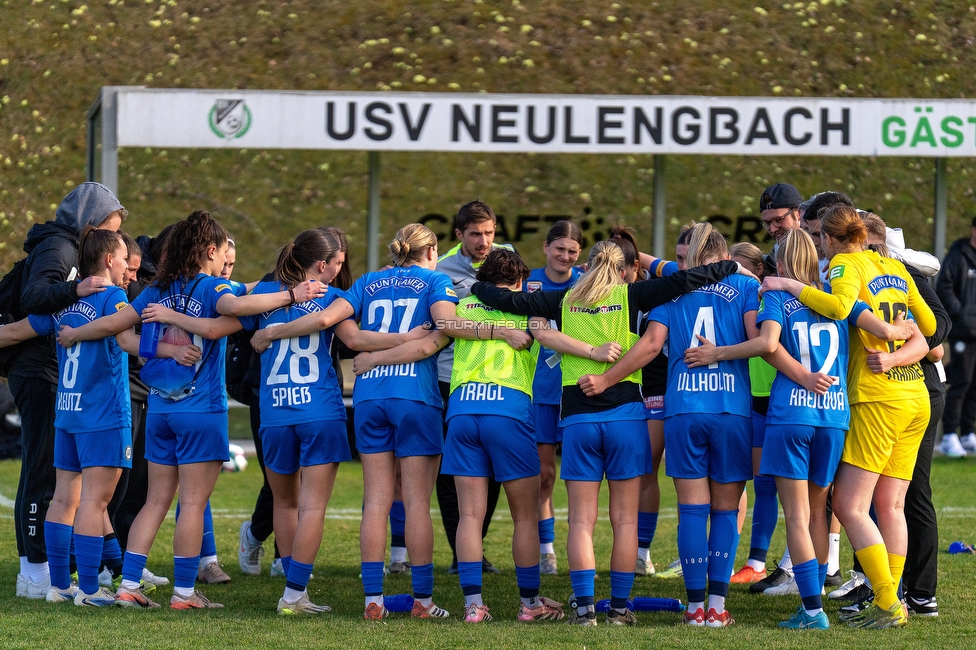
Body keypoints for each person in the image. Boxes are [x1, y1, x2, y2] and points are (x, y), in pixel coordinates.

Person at [250, 223, 530, 620]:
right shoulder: (436, 280)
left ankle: (373, 600)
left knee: (376, 501)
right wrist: (494, 330)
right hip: (415, 397)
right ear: (431, 250)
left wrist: (273, 332)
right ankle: (423, 600)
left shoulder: (366, 281)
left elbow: (348, 336)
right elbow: (446, 327)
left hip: (369, 397)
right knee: (416, 502)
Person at [472, 238, 749, 626]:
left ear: (585, 266)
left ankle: (586, 611)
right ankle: (619, 609)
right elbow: (686, 279)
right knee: (624, 521)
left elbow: (508, 302)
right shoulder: (635, 294)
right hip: (627, 419)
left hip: (579, 421)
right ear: (623, 269)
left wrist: (476, 285)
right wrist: (730, 267)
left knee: (581, 522)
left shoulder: (562, 299)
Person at [57, 210, 325, 610]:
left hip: (161, 410)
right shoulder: (211, 288)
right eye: (223, 257)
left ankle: (129, 584)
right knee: (194, 504)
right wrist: (291, 295)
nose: (224, 265)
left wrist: (75, 332)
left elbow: (118, 328)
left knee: (155, 501)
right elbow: (234, 308)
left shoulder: (155, 290)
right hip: (201, 410)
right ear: (210, 251)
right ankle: (184, 592)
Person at [684, 228, 912, 629]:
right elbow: (885, 330)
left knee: (797, 516)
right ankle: (839, 598)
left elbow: (768, 343)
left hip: (792, 415)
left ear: (783, 263)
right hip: (834, 417)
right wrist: (904, 330)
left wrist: (716, 353)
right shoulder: (839, 299)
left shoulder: (776, 296)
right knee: (818, 516)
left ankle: (812, 611)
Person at [355, 248, 583, 623]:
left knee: (470, 516)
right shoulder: (527, 309)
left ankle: (473, 605)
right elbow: (556, 342)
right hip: (507, 413)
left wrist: (375, 359)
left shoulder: (463, 309)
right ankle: (530, 605)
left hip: (462, 414)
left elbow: (427, 345)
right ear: (519, 283)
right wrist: (596, 351)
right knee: (525, 516)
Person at [0, 228, 197, 606]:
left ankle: (60, 587)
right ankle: (89, 590)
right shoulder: (112, 297)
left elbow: (14, 331)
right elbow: (125, 339)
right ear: (109, 260)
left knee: (63, 499)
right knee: (95, 502)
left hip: (67, 414)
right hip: (103, 416)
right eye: (125, 260)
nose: (129, 269)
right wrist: (172, 350)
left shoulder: (64, 303)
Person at [762, 204, 936, 629]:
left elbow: (839, 307)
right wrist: (896, 348)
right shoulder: (892, 266)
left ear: (834, 239)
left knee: (848, 505)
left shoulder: (845, 264)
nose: (821, 246)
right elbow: (928, 326)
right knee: (891, 505)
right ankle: (892, 602)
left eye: (823, 237)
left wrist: (788, 284)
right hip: (916, 394)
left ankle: (887, 601)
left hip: (877, 399)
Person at [579, 224, 759, 628]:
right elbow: (758, 340)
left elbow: (650, 346)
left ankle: (695, 609)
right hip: (731, 408)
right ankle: (716, 608)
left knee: (692, 511)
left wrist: (607, 379)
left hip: (683, 410)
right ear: (723, 255)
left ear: (694, 257)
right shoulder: (746, 288)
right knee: (726, 511)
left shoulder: (674, 290)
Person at [10, 182, 127, 599]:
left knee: (62, 492)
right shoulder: (68, 257)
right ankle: (62, 579)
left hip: (64, 398)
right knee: (75, 492)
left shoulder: (71, 296)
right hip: (78, 398)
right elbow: (35, 298)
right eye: (112, 229)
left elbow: (23, 327)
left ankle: (57, 580)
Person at [435, 200, 512, 574]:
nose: (484, 242)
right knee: (455, 471)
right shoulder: (440, 270)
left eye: (489, 233)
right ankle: (461, 553)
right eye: (475, 234)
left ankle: (475, 548)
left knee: (494, 468)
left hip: (499, 379)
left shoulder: (507, 260)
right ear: (458, 236)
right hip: (453, 378)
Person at [525, 220, 583, 576]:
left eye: (572, 251)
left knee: (579, 476)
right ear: (546, 247)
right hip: (540, 392)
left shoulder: (586, 284)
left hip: (578, 390)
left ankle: (581, 544)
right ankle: (546, 548)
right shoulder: (528, 282)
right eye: (559, 248)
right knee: (544, 474)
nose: (564, 256)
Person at [936, 215, 976, 457]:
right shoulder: (958, 255)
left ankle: (968, 432)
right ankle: (950, 434)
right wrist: (961, 315)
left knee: (974, 384)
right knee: (960, 382)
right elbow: (944, 287)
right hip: (963, 331)